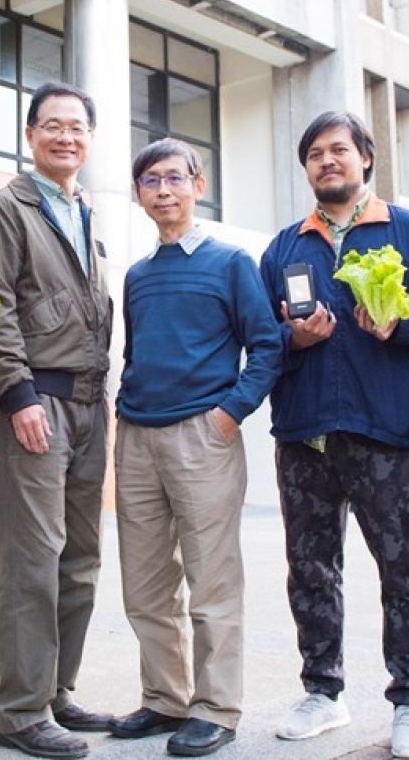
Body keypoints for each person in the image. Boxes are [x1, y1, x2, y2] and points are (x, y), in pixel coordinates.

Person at [257, 111, 409, 759]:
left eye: (338, 149)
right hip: (305, 433)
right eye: (314, 153)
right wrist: (294, 336)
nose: (327, 161)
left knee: (405, 570)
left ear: (365, 159)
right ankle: (324, 691)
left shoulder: (406, 231)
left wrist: (397, 322)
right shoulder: (285, 246)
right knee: (310, 570)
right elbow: (263, 340)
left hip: (385, 431)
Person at [106, 139, 282, 757]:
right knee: (145, 585)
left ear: (197, 184)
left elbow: (266, 346)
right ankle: (164, 698)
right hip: (135, 435)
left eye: (174, 178)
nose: (163, 189)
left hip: (202, 436)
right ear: (138, 194)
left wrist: (228, 415)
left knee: (211, 582)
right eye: (150, 180)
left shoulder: (231, 263)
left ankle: (216, 708)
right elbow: (136, 355)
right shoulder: (137, 275)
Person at [0, 81, 113, 760]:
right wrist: (17, 392)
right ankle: (21, 710)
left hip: (91, 403)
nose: (65, 137)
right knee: (34, 558)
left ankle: (57, 691)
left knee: (82, 558)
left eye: (76, 127)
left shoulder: (87, 210)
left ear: (89, 139)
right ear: (30, 136)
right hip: (39, 401)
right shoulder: (6, 207)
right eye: (51, 125)